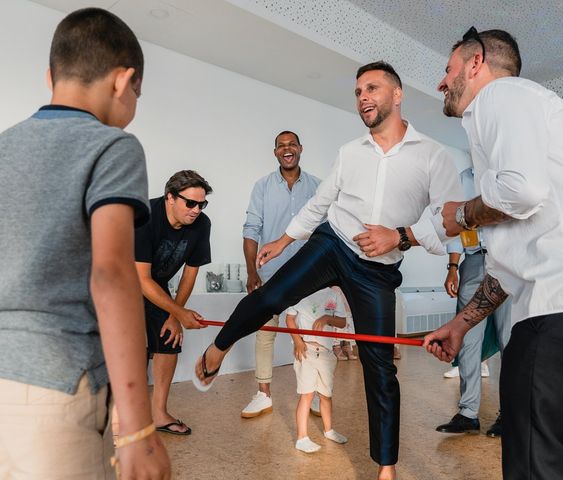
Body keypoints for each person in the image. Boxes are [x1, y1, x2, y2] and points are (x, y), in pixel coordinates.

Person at [194, 61, 462, 480]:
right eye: (357, 92)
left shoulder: (432, 156)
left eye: (371, 88)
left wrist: (400, 237)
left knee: (379, 365)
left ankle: (385, 468)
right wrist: (284, 240)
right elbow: (320, 202)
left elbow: (449, 222)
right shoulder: (350, 152)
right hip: (332, 242)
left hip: (378, 269)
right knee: (272, 296)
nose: (363, 98)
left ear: (397, 94)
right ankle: (219, 347)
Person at [424, 27, 563, 479]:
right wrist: (460, 326)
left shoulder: (503, 96)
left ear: (475, 62)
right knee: (554, 442)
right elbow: (507, 268)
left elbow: (521, 192)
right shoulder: (511, 121)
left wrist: (461, 215)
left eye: (447, 69)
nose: (442, 83)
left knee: (534, 453)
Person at [0, 8, 170, 479]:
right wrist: (138, 428)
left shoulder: (4, 145)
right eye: (138, 93)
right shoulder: (113, 146)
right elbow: (112, 273)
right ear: (124, 81)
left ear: (50, 75)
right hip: (57, 387)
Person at [241, 131, 320, 418]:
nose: (287, 149)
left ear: (300, 149)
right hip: (270, 273)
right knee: (265, 334)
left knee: (311, 335)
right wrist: (252, 271)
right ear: (275, 152)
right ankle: (263, 395)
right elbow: (251, 229)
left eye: (292, 145)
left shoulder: (317, 187)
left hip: (307, 275)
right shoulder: (262, 187)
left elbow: (326, 232)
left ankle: (312, 394)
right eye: (281, 146)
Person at [135, 170, 212, 435]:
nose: (196, 210)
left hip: (157, 285)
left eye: (201, 204)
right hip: (121, 281)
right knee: (130, 345)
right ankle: (120, 419)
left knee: (168, 339)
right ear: (170, 197)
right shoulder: (145, 214)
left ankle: (158, 415)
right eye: (190, 203)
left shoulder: (202, 225)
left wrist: (174, 317)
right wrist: (178, 311)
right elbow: (141, 279)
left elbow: (190, 274)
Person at [436, 167, 512, 438]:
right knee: (467, 338)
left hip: (507, 260)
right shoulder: (462, 177)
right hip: (474, 260)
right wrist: (453, 267)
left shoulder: (507, 172)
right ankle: (468, 413)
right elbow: (455, 227)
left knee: (509, 339)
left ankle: (511, 414)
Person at [286, 287, 349, 453]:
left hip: (327, 353)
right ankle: (302, 438)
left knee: (326, 395)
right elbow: (290, 319)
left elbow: (342, 322)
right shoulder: (299, 291)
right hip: (306, 351)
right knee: (306, 395)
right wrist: (298, 341)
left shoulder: (333, 294)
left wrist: (328, 317)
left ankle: (329, 430)